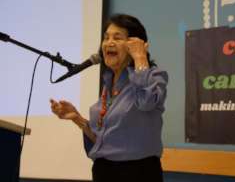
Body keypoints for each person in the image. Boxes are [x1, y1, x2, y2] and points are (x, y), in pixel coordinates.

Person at [50, 14, 168, 182]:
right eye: (106, 37)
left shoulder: (154, 77)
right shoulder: (108, 83)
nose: (109, 42)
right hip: (104, 172)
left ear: (135, 44)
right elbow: (103, 141)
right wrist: (77, 118)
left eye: (117, 37)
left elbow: (147, 102)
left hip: (138, 173)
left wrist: (140, 58)